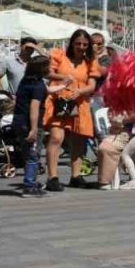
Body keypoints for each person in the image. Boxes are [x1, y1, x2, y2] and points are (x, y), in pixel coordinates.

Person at [42, 29, 100, 191]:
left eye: (84, 44)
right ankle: (52, 177)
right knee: (56, 138)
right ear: (71, 43)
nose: (81, 47)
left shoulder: (90, 61)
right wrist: (64, 79)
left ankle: (76, 176)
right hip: (59, 101)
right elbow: (47, 73)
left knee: (78, 141)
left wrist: (80, 91)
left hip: (79, 102)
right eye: (78, 43)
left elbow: (92, 85)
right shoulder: (59, 55)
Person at [13, 56, 65, 197]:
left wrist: (63, 84)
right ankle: (29, 186)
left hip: (18, 121)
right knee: (33, 155)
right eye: (48, 67)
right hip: (29, 123)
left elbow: (46, 90)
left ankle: (31, 182)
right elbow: (34, 107)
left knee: (27, 153)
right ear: (43, 69)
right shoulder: (38, 85)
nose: (50, 70)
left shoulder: (26, 81)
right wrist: (34, 128)